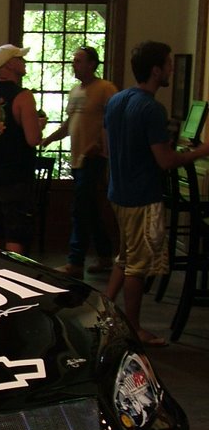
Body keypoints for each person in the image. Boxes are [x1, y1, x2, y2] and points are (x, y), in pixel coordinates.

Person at [105, 40, 209, 347]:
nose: (171, 70)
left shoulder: (117, 100)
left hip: (118, 191)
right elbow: (165, 161)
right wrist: (202, 151)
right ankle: (134, 328)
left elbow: (112, 147)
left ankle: (106, 311)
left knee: (125, 257)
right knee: (138, 266)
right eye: (168, 65)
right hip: (142, 195)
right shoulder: (151, 108)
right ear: (155, 70)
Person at [43, 46, 118, 279]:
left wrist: (100, 145)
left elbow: (114, 121)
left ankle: (75, 261)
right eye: (74, 60)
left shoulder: (106, 89)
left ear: (92, 64)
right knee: (90, 210)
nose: (74, 64)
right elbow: (69, 124)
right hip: (76, 159)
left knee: (79, 208)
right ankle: (106, 255)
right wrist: (47, 139)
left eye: (78, 61)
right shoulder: (75, 91)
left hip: (93, 158)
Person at [0, 44, 43, 253]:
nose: (23, 63)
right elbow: (33, 139)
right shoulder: (22, 96)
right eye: (20, 59)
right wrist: (39, 125)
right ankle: (15, 280)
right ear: (10, 64)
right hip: (15, 177)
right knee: (16, 235)